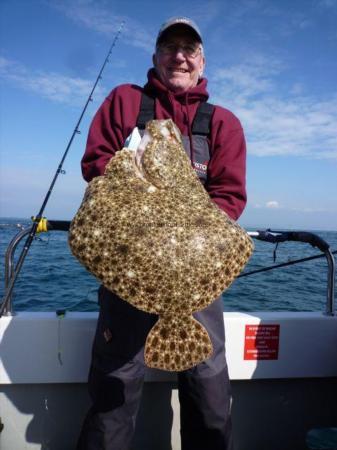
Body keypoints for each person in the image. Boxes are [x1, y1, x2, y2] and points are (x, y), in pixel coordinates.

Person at [77, 17, 247, 450]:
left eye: (189, 49)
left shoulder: (222, 122)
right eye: (170, 47)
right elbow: (96, 164)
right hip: (130, 269)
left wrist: (192, 236)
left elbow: (229, 197)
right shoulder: (125, 101)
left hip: (197, 275)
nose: (180, 56)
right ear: (155, 56)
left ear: (201, 60)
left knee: (210, 394)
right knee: (114, 392)